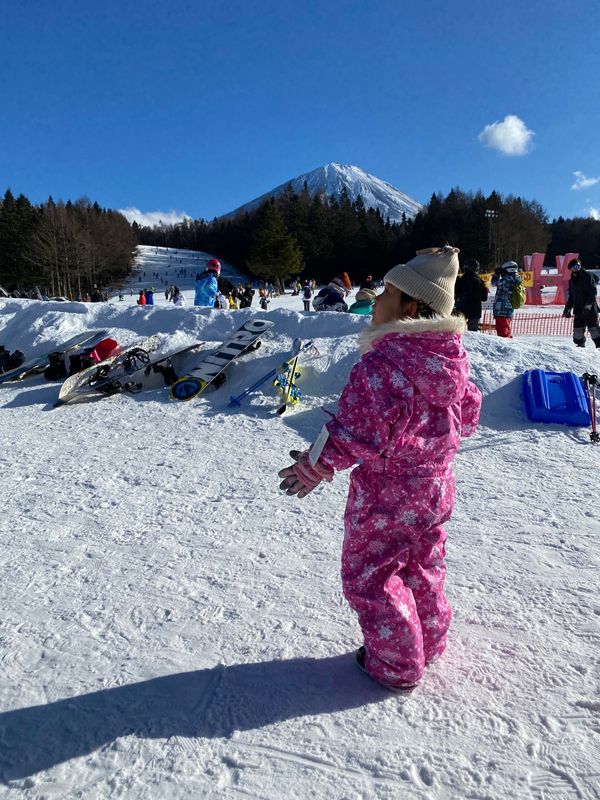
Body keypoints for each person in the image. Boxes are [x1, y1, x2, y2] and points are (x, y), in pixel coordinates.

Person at [278, 246, 482, 691]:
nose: (375, 301)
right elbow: (468, 415)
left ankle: (396, 663)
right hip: (437, 487)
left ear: (410, 306)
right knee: (422, 565)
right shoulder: (451, 358)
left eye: (387, 293)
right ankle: (430, 641)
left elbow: (355, 431)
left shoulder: (384, 365)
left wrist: (313, 466)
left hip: (388, 492)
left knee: (371, 577)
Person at [562, 259, 600, 347]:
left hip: (590, 310)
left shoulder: (588, 276)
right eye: (574, 267)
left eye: (578, 265)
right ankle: (580, 347)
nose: (577, 268)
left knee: (594, 329)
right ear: (570, 269)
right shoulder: (572, 280)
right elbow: (571, 297)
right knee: (577, 331)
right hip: (578, 310)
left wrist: (588, 306)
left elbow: (592, 293)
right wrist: (567, 309)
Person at [454, 259, 489, 331]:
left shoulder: (461, 280)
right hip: (475, 310)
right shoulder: (480, 281)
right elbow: (484, 298)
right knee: (473, 333)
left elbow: (456, 292)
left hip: (462, 308)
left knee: (458, 331)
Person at [491, 260, 522, 338]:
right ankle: (508, 341)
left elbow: (494, 283)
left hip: (502, 309)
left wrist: (496, 274)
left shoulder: (508, 280)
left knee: (502, 332)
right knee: (505, 329)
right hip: (507, 308)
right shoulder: (515, 278)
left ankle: (506, 344)